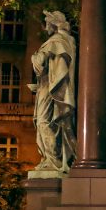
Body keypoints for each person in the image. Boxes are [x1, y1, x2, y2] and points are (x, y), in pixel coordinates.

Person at [29, 11, 77, 173]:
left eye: (47, 23)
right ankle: (51, 158)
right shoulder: (67, 40)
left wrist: (34, 57)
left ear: (54, 24)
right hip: (49, 87)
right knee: (49, 123)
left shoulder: (56, 41)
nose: (45, 27)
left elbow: (40, 62)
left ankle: (53, 160)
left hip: (48, 88)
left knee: (43, 122)